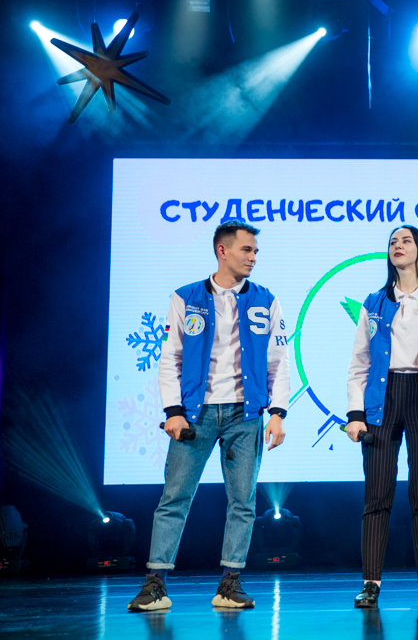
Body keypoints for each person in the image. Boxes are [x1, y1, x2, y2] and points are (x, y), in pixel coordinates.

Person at [127, 219, 289, 611]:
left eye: (255, 251)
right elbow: (170, 357)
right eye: (246, 250)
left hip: (245, 414)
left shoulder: (266, 299)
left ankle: (230, 584)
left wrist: (278, 412)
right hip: (195, 415)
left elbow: (279, 360)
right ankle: (155, 585)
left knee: (243, 502)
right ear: (223, 250)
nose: (253, 258)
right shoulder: (186, 297)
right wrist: (173, 411)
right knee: (174, 497)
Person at [345, 225, 418, 609]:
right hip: (382, 399)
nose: (398, 246)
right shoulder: (374, 303)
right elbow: (360, 361)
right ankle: (370, 583)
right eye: (393, 242)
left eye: (406, 241)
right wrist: (356, 413)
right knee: (376, 496)